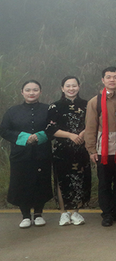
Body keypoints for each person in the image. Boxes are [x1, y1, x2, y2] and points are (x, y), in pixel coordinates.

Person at [1, 80, 52, 228]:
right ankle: (25, 216)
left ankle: (38, 214)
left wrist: (40, 136)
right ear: (22, 92)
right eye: (28, 90)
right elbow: (4, 130)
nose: (31, 93)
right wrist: (25, 138)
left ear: (40, 92)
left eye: (35, 90)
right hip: (20, 154)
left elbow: (54, 128)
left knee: (40, 181)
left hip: (42, 152)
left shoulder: (48, 109)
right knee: (21, 182)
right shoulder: (12, 111)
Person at [84, 66, 116, 226]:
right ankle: (107, 214)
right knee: (104, 183)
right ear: (103, 80)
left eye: (115, 77)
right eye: (109, 77)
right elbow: (90, 127)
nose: (112, 80)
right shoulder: (95, 101)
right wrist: (91, 149)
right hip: (103, 148)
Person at [46, 76, 90, 226]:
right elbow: (50, 128)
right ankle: (63, 213)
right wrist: (71, 135)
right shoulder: (55, 106)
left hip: (81, 148)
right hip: (62, 149)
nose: (71, 89)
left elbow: (93, 123)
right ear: (62, 88)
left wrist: (82, 134)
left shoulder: (86, 104)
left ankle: (76, 212)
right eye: (68, 86)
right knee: (61, 180)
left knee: (80, 178)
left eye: (74, 85)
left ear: (79, 86)